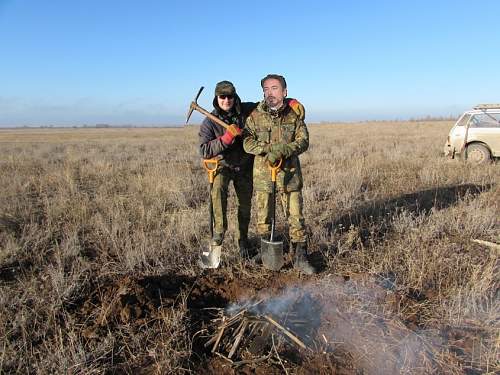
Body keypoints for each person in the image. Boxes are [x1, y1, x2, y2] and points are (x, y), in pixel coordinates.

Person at [199, 80, 305, 258]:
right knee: (217, 199)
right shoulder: (209, 122)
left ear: (235, 96)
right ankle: (217, 239)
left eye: (230, 96)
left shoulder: (247, 110)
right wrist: (226, 138)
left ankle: (243, 242)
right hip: (222, 167)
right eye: (222, 97)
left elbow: (271, 102)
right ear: (216, 98)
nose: (226, 100)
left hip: (245, 167)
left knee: (245, 207)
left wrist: (292, 101)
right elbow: (204, 150)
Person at [243, 74, 314, 274]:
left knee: (295, 216)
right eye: (266, 89)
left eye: (275, 88)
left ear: (284, 92)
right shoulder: (255, 116)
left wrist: (283, 150)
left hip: (290, 177)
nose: (270, 92)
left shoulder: (293, 115)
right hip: (264, 177)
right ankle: (266, 251)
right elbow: (247, 142)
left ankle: (299, 256)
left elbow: (303, 141)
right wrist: (266, 149)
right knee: (263, 216)